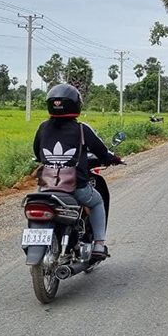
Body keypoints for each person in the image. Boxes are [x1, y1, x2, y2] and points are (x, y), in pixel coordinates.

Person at [33, 84, 123, 260]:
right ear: (76, 105)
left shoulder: (43, 127)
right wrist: (114, 159)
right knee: (97, 202)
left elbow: (37, 152)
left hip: (46, 186)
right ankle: (98, 244)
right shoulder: (82, 129)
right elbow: (102, 152)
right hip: (74, 186)